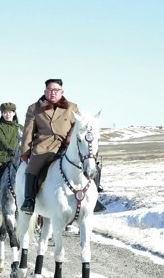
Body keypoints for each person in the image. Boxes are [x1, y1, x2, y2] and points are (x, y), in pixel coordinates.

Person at [20, 78, 106, 213]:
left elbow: (79, 126)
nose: (52, 93)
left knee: (91, 164)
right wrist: (25, 152)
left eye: (56, 90)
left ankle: (94, 200)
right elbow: (28, 132)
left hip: (68, 146)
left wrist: (70, 138)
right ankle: (29, 200)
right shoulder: (34, 108)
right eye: (49, 90)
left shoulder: (72, 107)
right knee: (32, 168)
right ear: (45, 91)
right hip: (44, 147)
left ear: (62, 91)